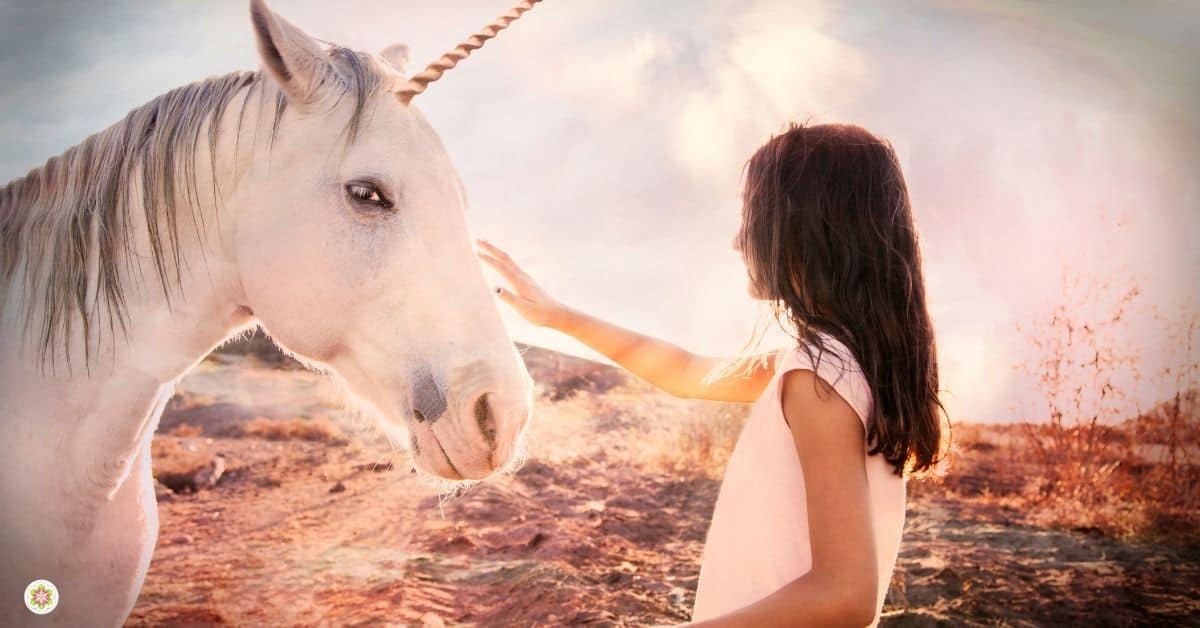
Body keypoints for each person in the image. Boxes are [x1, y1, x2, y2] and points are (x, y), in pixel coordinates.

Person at [477, 121, 947, 627]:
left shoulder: (820, 380)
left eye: (753, 218)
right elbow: (684, 371)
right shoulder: (835, 365)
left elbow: (845, 596)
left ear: (806, 230)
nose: (737, 241)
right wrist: (558, 316)